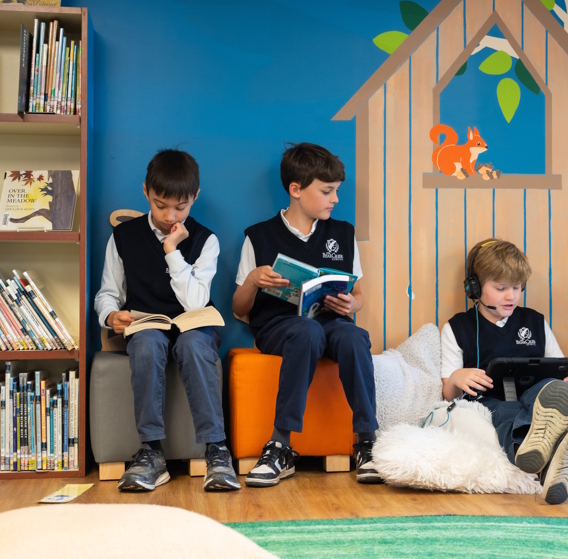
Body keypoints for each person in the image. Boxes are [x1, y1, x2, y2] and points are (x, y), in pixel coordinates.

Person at [233, 142, 379, 486]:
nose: (335, 199)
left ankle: (367, 442)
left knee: (355, 336)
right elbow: (239, 309)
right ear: (296, 190)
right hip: (279, 327)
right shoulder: (259, 236)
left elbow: (357, 294)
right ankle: (280, 444)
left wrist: (352, 305)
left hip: (331, 323)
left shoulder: (343, 233)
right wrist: (254, 280)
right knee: (306, 331)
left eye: (336, 191)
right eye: (327, 191)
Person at [94, 149, 240, 492]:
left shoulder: (206, 241)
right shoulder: (123, 238)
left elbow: (194, 301)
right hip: (148, 324)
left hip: (194, 323)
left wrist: (173, 250)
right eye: (161, 205)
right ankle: (152, 452)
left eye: (180, 207)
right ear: (146, 191)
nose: (170, 215)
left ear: (195, 198)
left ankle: (216, 449)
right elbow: (107, 293)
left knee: (192, 344)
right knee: (146, 344)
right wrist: (110, 315)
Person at [441, 238, 568, 504]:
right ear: (475, 287)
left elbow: (560, 366)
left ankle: (548, 440)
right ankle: (540, 453)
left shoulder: (535, 321)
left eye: (517, 287)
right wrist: (458, 377)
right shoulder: (457, 328)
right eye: (501, 287)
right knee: (508, 412)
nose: (511, 296)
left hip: (536, 394)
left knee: (554, 390)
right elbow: (447, 393)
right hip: (491, 399)